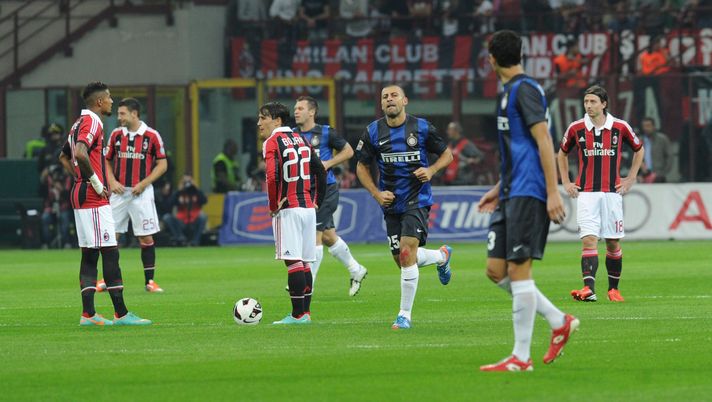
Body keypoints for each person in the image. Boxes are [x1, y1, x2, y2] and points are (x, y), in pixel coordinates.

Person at [477, 30, 577, 372]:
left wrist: (552, 191)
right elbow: (519, 149)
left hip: (530, 191)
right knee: (496, 270)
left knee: (519, 269)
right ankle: (558, 320)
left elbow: (543, 140)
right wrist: (498, 186)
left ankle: (521, 357)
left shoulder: (526, 90)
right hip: (510, 190)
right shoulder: (508, 93)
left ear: (491, 59)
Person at [355, 84, 454, 330]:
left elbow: (447, 154)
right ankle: (441, 256)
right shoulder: (372, 132)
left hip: (417, 198)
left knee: (407, 254)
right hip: (390, 202)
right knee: (402, 260)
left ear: (405, 101)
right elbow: (361, 166)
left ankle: (404, 315)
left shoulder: (421, 128)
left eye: (394, 95)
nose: (390, 99)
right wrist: (377, 194)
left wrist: (431, 170)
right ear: (381, 104)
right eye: (385, 97)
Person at [57, 81, 151, 326]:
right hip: (92, 197)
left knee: (89, 254)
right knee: (110, 252)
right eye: (109, 98)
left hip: (80, 193)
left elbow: (63, 156)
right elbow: (79, 153)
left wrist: (79, 178)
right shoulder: (93, 121)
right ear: (99, 102)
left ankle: (88, 314)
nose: (112, 101)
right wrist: (96, 184)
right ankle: (121, 313)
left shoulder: (78, 122)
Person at [557, 85, 645, 303]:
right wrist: (566, 181)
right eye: (586, 102)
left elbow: (639, 149)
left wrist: (631, 177)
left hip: (612, 194)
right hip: (586, 193)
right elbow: (562, 153)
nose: (588, 106)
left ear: (604, 104)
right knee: (588, 240)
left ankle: (613, 289)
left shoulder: (620, 126)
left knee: (613, 242)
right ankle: (589, 289)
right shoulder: (576, 128)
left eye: (593, 102)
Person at [259, 101, 326, 325]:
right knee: (305, 261)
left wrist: (272, 205)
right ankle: (305, 313)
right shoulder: (301, 139)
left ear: (277, 120)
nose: (259, 123)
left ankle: (297, 315)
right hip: (308, 208)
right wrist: (317, 200)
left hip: (288, 209)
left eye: (263, 117)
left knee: (293, 261)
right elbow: (320, 170)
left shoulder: (272, 142)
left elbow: (271, 176)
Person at [293, 96, 368, 296]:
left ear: (312, 112)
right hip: (303, 191)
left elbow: (349, 151)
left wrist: (328, 163)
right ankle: (355, 269)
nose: (296, 112)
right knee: (328, 236)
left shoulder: (326, 133)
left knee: (313, 235)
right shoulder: (292, 135)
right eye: (295, 108)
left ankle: (308, 284)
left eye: (300, 108)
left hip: (325, 190)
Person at [98, 97, 168, 293]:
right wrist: (112, 182)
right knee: (110, 237)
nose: (119, 117)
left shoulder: (152, 136)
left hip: (141, 193)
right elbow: (107, 161)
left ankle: (150, 282)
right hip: (119, 193)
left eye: (122, 113)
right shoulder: (116, 135)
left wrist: (144, 183)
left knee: (145, 237)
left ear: (134, 114)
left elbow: (163, 164)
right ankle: (107, 279)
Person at [163, 175, 208, 247]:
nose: (187, 184)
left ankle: (195, 242)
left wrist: (195, 188)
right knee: (167, 217)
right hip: (181, 221)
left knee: (203, 216)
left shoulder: (196, 192)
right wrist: (178, 190)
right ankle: (180, 238)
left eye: (189, 181)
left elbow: (204, 201)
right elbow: (169, 204)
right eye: (185, 182)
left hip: (194, 220)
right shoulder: (179, 193)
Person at [442, 121, 483, 185]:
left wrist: (472, 161)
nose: (447, 132)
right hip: (450, 181)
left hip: (463, 182)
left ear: (456, 131)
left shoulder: (466, 144)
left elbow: (480, 156)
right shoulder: (450, 145)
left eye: (449, 129)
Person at [638, 117, 673, 183]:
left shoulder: (662, 139)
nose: (646, 128)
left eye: (648, 126)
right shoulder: (639, 140)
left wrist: (663, 173)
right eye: (644, 126)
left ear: (654, 127)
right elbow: (634, 158)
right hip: (643, 176)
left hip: (658, 176)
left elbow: (669, 157)